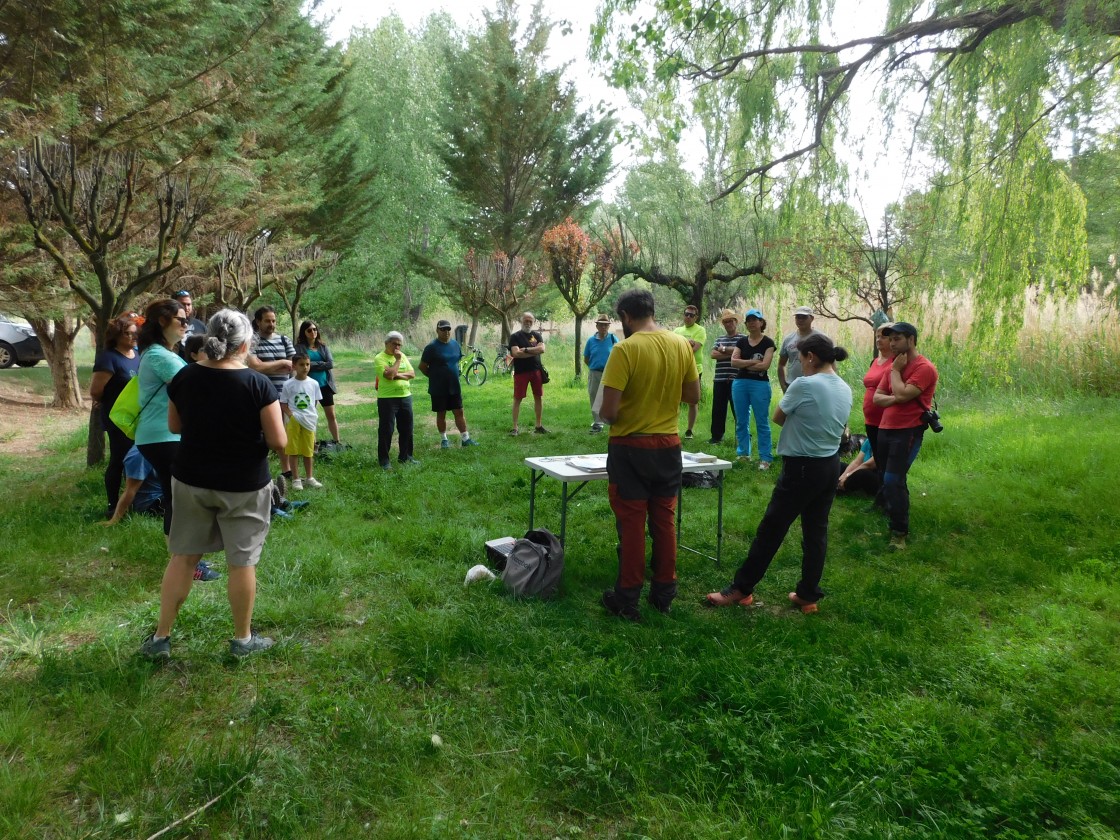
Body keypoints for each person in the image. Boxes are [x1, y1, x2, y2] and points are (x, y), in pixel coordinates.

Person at [140, 309, 287, 660]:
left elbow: (175, 427)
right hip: (245, 485)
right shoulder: (257, 384)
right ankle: (242, 640)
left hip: (192, 479)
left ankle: (161, 639)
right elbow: (279, 442)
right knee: (242, 562)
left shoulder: (185, 378)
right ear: (245, 343)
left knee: (183, 557)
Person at [706, 333, 853, 614]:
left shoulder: (804, 384)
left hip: (802, 467)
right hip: (829, 465)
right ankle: (808, 594)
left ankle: (741, 589)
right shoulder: (845, 387)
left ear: (810, 357)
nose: (799, 364)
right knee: (816, 532)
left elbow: (778, 417)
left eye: (800, 358)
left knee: (771, 529)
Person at [598, 289, 700, 621]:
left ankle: (627, 598)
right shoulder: (680, 344)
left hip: (630, 447)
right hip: (669, 445)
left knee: (631, 523)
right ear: (652, 311)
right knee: (664, 521)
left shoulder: (624, 350)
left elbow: (609, 413)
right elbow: (692, 395)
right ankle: (664, 593)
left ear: (626, 317)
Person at [872, 321, 939, 550]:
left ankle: (899, 533)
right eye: (890, 339)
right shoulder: (894, 365)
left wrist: (896, 374)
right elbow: (878, 398)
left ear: (911, 340)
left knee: (893, 480)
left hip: (908, 431)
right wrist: (897, 396)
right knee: (889, 478)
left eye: (897, 338)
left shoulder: (924, 368)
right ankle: (896, 516)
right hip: (885, 428)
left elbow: (901, 393)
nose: (892, 343)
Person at [90, 314, 140, 518]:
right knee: (119, 458)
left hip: (135, 416)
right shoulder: (108, 357)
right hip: (117, 418)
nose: (133, 337)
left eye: (135, 333)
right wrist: (104, 400)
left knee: (135, 457)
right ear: (117, 336)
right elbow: (95, 390)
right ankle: (113, 504)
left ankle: (133, 500)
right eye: (128, 334)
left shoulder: (137, 355)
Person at [419, 319, 479, 449]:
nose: (446, 332)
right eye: (443, 329)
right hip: (438, 388)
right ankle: (444, 439)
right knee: (441, 413)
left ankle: (465, 438)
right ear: (437, 330)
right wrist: (434, 376)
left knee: (459, 411)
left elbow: (457, 361)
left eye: (448, 329)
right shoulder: (431, 347)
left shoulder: (455, 345)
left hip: (454, 386)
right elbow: (422, 366)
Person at [730, 308, 776, 470]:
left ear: (761, 322)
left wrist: (744, 361)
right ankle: (743, 454)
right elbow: (733, 362)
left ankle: (765, 458)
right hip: (740, 384)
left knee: (762, 422)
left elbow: (765, 365)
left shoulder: (768, 343)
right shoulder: (741, 341)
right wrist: (752, 362)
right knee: (741, 421)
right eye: (749, 320)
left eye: (755, 320)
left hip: (760, 385)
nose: (752, 323)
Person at [372, 331, 417, 469]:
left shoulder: (403, 356)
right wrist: (397, 361)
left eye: (399, 345)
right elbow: (389, 376)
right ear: (386, 343)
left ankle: (406, 457)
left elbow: (412, 374)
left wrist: (396, 374)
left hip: (405, 396)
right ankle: (384, 461)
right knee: (387, 429)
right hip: (387, 399)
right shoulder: (379, 358)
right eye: (394, 344)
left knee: (407, 428)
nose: (397, 348)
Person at [862, 322, 896, 504]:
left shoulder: (896, 363)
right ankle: (881, 496)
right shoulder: (875, 361)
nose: (878, 340)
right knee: (879, 459)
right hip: (871, 420)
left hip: (886, 420)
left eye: (883, 336)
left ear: (892, 339)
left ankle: (887, 499)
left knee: (885, 462)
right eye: (877, 336)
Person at [280, 353, 324, 490]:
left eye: (307, 364)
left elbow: (314, 401)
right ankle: (296, 479)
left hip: (309, 421)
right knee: (293, 450)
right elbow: (283, 403)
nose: (305, 367)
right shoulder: (288, 384)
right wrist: (291, 416)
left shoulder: (314, 383)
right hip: (294, 421)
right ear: (293, 366)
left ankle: (310, 477)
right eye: (301, 364)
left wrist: (310, 414)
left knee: (308, 450)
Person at [295, 320, 342, 447]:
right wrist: (321, 364)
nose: (313, 332)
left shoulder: (323, 346)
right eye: (309, 330)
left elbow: (330, 363)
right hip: (308, 386)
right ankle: (313, 444)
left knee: (331, 415)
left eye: (315, 329)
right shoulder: (299, 347)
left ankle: (337, 442)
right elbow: (301, 364)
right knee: (310, 415)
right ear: (304, 332)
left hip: (325, 385)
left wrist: (312, 365)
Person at [102, 445, 166, 524]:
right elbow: (130, 490)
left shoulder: (155, 447)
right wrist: (115, 519)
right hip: (153, 504)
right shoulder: (139, 455)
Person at [508, 311, 548, 435]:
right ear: (521, 321)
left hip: (536, 371)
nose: (528, 323)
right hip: (521, 372)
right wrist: (533, 352)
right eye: (526, 320)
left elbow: (542, 349)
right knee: (517, 399)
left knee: (538, 397)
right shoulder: (515, 337)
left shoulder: (537, 335)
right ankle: (515, 428)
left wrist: (525, 350)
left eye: (530, 321)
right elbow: (515, 353)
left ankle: (538, 426)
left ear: (533, 322)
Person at [708, 309, 742, 445]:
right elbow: (713, 355)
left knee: (738, 409)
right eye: (725, 322)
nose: (728, 324)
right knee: (718, 409)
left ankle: (741, 437)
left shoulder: (743, 339)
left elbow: (743, 352)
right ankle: (716, 437)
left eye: (730, 321)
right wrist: (733, 353)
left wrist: (722, 350)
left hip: (737, 379)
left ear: (736, 322)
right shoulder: (719, 339)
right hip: (720, 379)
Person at [673, 304, 706, 439]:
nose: (688, 317)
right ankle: (672, 427)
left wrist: (683, 344)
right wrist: (687, 341)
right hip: (677, 368)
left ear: (696, 317)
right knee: (673, 399)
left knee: (693, 400)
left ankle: (689, 431)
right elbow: (672, 349)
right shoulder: (676, 330)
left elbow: (694, 349)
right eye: (686, 314)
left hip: (694, 369)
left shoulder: (700, 330)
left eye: (691, 315)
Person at [248, 305, 295, 397]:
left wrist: (264, 367)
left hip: (285, 396)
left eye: (273, 321)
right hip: (261, 395)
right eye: (267, 321)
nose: (271, 324)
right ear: (258, 322)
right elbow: (255, 368)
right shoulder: (251, 342)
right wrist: (283, 362)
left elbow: (293, 367)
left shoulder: (285, 340)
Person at [583, 314, 618, 434]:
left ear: (608, 326)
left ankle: (612, 420)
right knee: (594, 396)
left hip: (610, 373)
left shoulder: (613, 339)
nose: (603, 327)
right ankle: (598, 423)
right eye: (601, 325)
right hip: (595, 373)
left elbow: (619, 356)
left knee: (610, 397)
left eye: (606, 325)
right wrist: (595, 366)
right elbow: (586, 358)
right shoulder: (591, 341)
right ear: (597, 326)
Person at [777, 305, 825, 392]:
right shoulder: (788, 339)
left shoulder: (821, 338)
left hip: (814, 385)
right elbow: (781, 365)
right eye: (798, 317)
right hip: (792, 385)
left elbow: (829, 363)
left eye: (804, 317)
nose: (800, 320)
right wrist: (783, 385)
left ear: (812, 318)